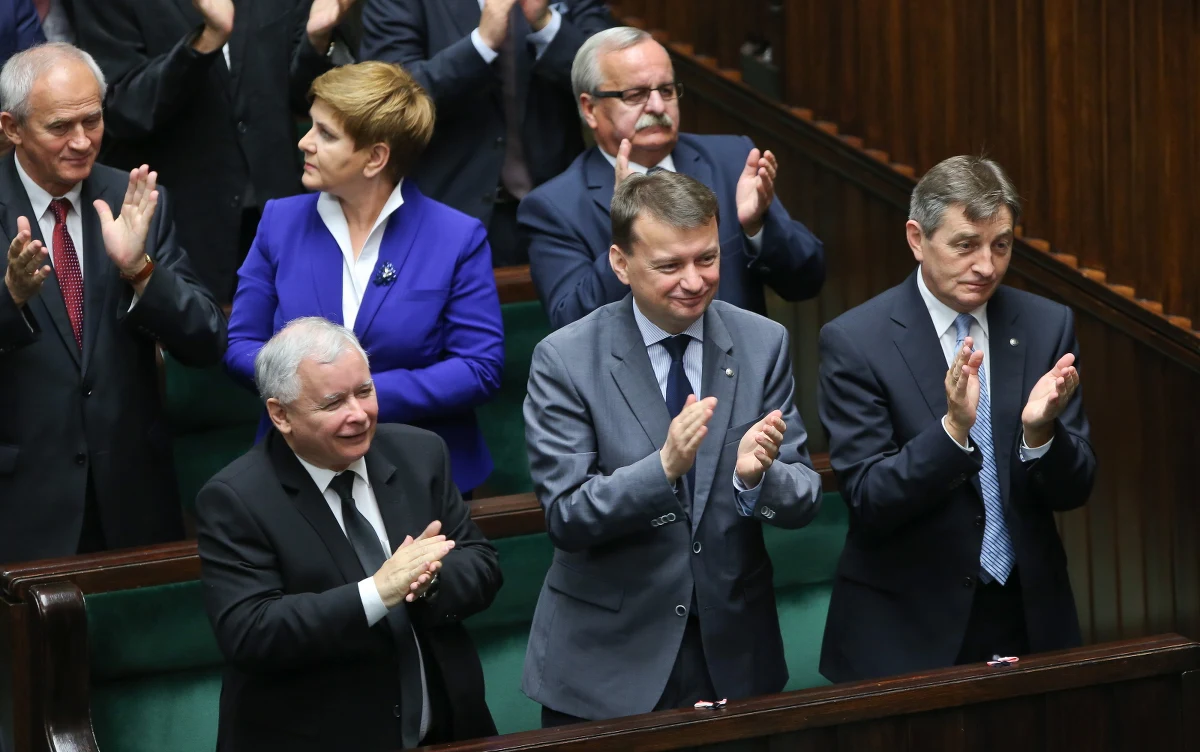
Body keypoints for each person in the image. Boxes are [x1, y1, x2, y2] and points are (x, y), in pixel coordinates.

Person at [522, 171, 823, 725]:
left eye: (707, 259)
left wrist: (756, 480)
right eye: (669, 266)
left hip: (733, 655)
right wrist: (662, 468)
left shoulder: (761, 342)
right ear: (620, 264)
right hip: (609, 662)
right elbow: (566, 515)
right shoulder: (564, 359)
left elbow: (803, 495)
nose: (694, 280)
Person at [817, 156, 1096, 683]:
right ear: (917, 239)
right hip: (907, 629)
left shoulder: (1045, 325)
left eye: (1001, 245)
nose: (987, 266)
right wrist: (951, 431)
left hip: (1029, 616)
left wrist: (1041, 435)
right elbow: (869, 498)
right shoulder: (857, 341)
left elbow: (1076, 487)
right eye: (965, 245)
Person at [197, 317, 502, 751]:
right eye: (333, 403)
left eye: (365, 392)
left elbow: (482, 565)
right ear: (280, 414)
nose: (358, 415)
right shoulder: (236, 499)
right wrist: (378, 591)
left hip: (447, 733)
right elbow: (252, 632)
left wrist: (429, 580)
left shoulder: (420, 454)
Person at [224, 61, 504, 496]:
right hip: (298, 472)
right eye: (310, 126)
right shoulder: (279, 222)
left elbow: (479, 368)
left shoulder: (456, 237)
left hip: (421, 474)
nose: (305, 142)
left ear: (375, 157)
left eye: (326, 134)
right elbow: (241, 345)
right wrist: (308, 396)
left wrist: (353, 398)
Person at [0, 43, 226, 562]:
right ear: (12, 127)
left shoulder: (136, 199)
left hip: (133, 497)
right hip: (20, 503)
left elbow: (206, 339)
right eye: (60, 126)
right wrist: (10, 299)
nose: (82, 141)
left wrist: (140, 271)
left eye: (93, 120)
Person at [520, 27, 825, 329]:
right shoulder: (555, 206)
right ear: (590, 108)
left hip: (736, 370)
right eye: (635, 94)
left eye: (666, 91)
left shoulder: (732, 161)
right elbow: (571, 323)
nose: (656, 106)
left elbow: (807, 281)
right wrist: (627, 227)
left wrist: (758, 227)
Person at [71, 0, 361, 303]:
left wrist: (318, 40)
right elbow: (123, 109)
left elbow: (302, 98)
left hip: (277, 208)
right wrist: (204, 43)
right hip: (181, 222)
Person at [359, 0, 614, 266]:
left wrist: (546, 25)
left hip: (561, 208)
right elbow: (388, 101)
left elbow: (611, 78)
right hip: (448, 208)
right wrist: (480, 44)